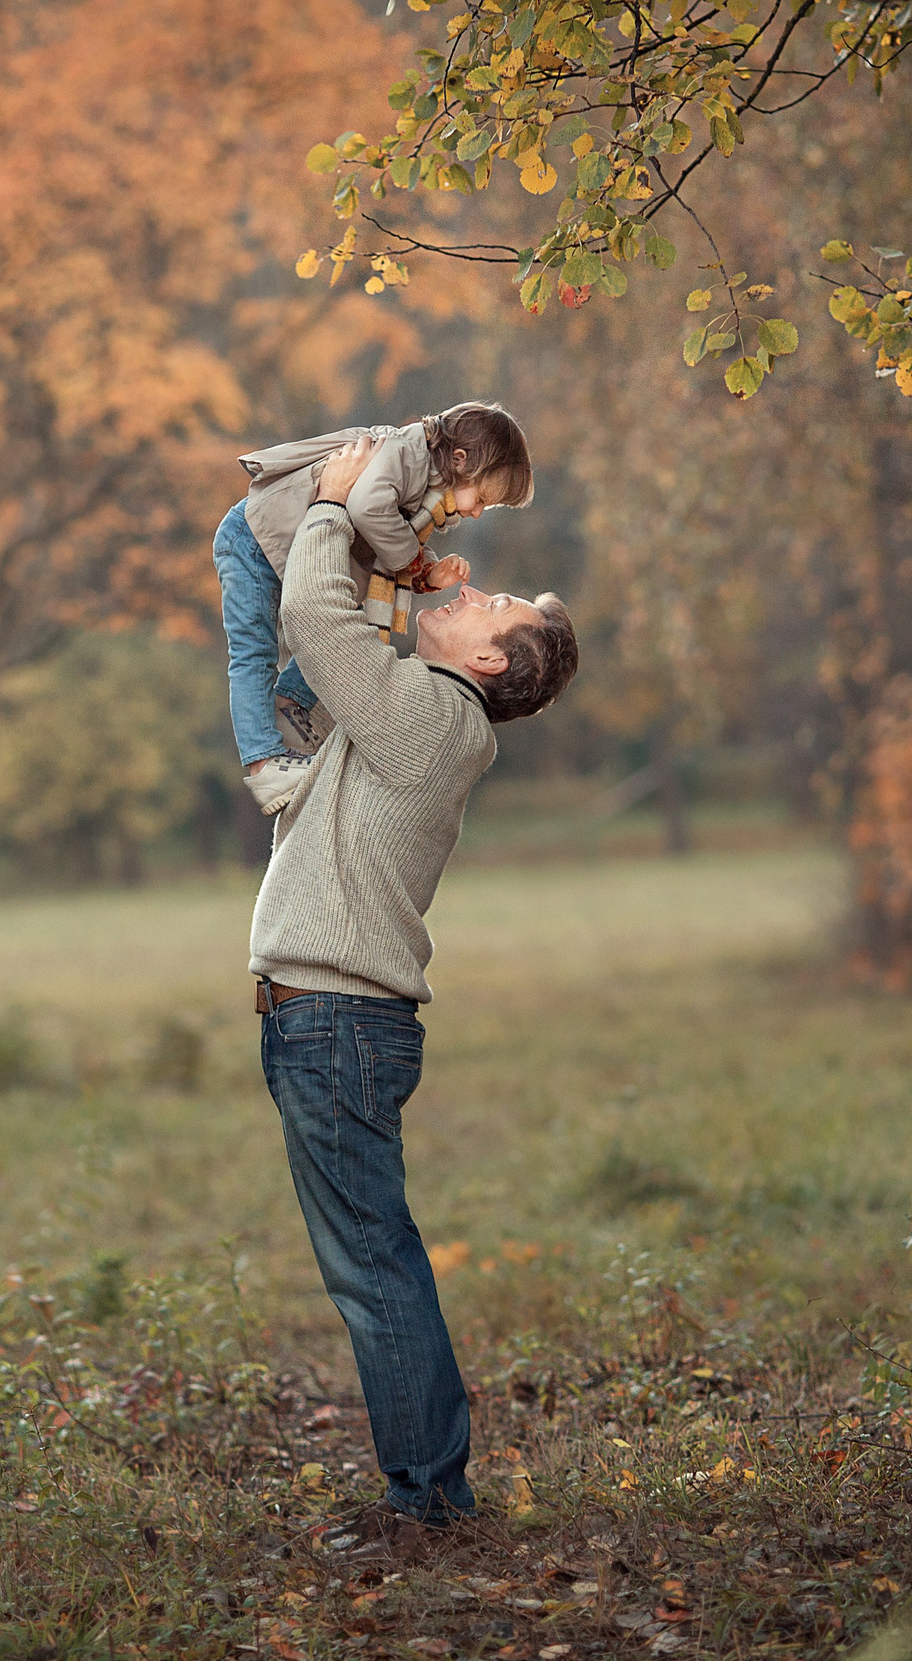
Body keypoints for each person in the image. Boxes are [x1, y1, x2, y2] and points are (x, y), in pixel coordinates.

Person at [248, 434, 578, 1551]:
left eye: (493, 607)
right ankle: (429, 1487)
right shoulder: (420, 711)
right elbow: (354, 632)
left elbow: (314, 625)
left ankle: (429, 1500)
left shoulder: (431, 724)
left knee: (371, 1264)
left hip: (336, 1024)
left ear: (490, 665)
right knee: (371, 1256)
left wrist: (337, 507)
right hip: (333, 1022)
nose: (473, 589)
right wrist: (395, 551)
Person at [218, 403, 536, 816]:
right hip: (252, 536)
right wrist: (412, 559)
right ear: (461, 460)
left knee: (344, 630)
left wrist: (426, 573)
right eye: (482, 499)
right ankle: (263, 763)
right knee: (254, 651)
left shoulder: (425, 486)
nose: (476, 512)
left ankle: (289, 707)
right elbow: (368, 508)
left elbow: (384, 543)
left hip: (283, 543)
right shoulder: (406, 452)